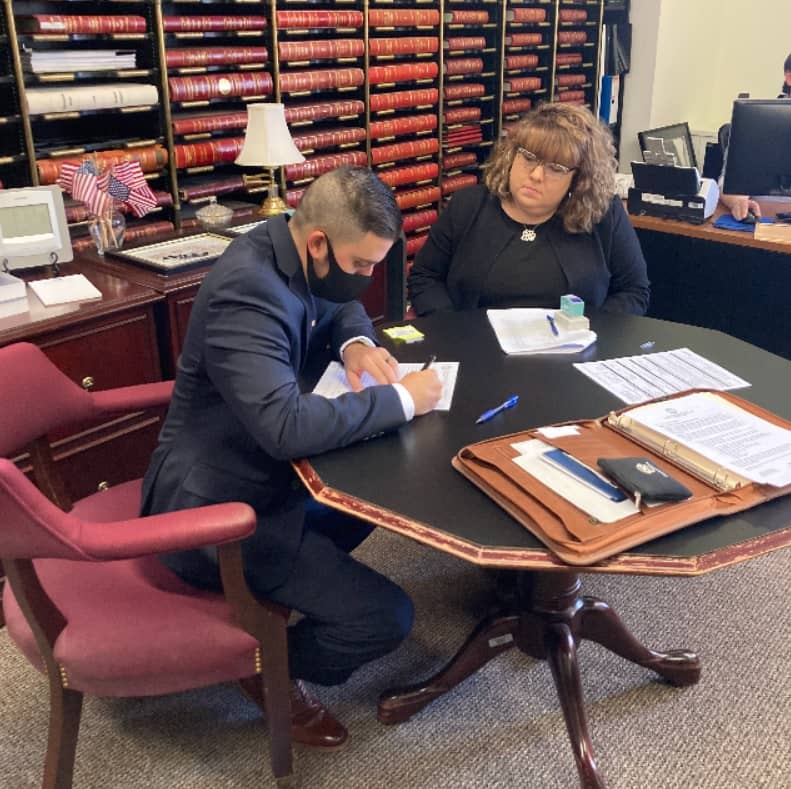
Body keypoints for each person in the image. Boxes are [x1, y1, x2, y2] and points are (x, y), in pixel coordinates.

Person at [140, 166, 442, 748]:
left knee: (377, 503)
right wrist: (403, 399)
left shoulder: (294, 247)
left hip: (270, 476)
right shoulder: (247, 291)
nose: (367, 279)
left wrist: (356, 342)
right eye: (361, 265)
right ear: (319, 242)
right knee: (385, 618)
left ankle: (280, 594)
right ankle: (260, 665)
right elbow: (284, 428)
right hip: (215, 510)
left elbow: (337, 303)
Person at [407, 102, 650, 317]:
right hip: (474, 343)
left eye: (555, 168)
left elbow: (633, 291)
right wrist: (455, 329)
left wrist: (590, 330)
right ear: (511, 156)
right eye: (529, 158)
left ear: (579, 180)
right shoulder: (467, 206)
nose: (536, 175)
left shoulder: (603, 215)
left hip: (572, 346)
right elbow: (425, 278)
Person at [720, 52, 791, 220]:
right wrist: (738, 202)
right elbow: (726, 184)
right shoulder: (756, 121)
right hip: (764, 220)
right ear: (789, 77)